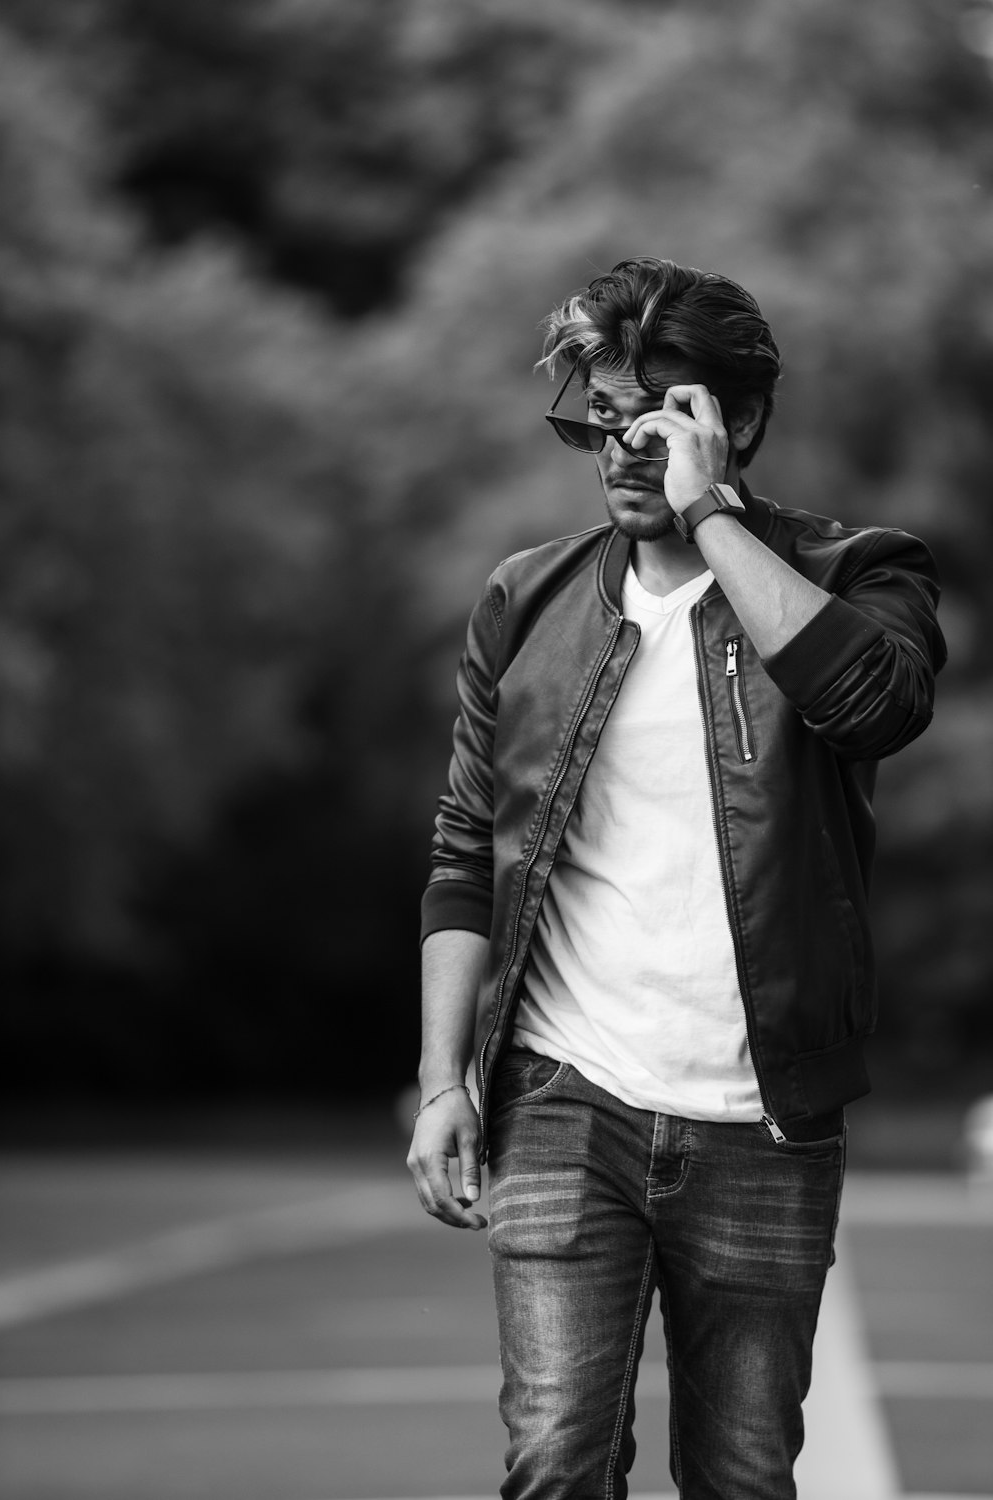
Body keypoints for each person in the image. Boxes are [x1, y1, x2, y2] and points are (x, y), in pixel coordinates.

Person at [406, 256, 946, 1499]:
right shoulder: (526, 599)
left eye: (658, 420)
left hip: (765, 1113)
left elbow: (872, 704)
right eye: (599, 422)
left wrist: (715, 518)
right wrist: (444, 1080)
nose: (623, 451)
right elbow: (462, 854)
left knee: (745, 1477)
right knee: (553, 1461)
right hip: (559, 1094)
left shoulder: (862, 570)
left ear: (739, 421)